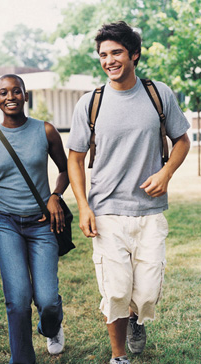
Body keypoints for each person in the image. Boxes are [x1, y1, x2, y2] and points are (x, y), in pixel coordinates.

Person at [67, 21, 191, 364]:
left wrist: (166, 172)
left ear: (133, 54)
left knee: (147, 293)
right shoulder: (90, 103)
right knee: (116, 290)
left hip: (150, 211)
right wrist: (83, 206)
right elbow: (75, 159)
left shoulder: (158, 94)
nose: (109, 60)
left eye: (116, 52)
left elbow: (182, 140)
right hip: (106, 210)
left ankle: (136, 318)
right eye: (104, 55)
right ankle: (119, 356)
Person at [0, 74, 69, 364]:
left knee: (48, 302)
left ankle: (51, 327)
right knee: (17, 301)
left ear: (25, 96)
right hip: (5, 225)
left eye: (16, 91)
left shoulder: (46, 131)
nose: (10, 97)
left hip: (43, 224)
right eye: (3, 93)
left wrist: (55, 195)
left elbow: (66, 171)